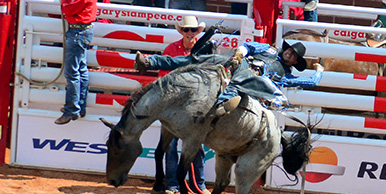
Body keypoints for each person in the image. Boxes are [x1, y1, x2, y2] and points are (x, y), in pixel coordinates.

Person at [135, 37, 320, 116]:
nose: (290, 54)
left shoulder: (286, 76)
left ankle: (221, 105)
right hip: (237, 63)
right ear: (286, 48)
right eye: (290, 50)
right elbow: (248, 46)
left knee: (240, 83)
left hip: (253, 81)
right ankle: (150, 62)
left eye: (294, 55)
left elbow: (310, 82)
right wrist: (239, 55)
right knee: (197, 59)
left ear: (296, 62)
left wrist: (319, 70)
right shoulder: (270, 50)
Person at [156, 14, 209, 192]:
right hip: (173, 106)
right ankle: (173, 183)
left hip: (194, 106)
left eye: (192, 30)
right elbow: (162, 77)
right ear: (182, 31)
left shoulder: (204, 50)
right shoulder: (171, 49)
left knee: (196, 148)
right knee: (171, 146)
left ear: (197, 32)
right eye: (186, 29)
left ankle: (198, 184)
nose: (189, 32)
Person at [55, 0, 96, 125]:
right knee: (80, 69)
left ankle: (72, 109)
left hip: (78, 29)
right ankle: (78, 106)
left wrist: (64, 4)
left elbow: (72, 7)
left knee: (72, 72)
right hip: (82, 29)